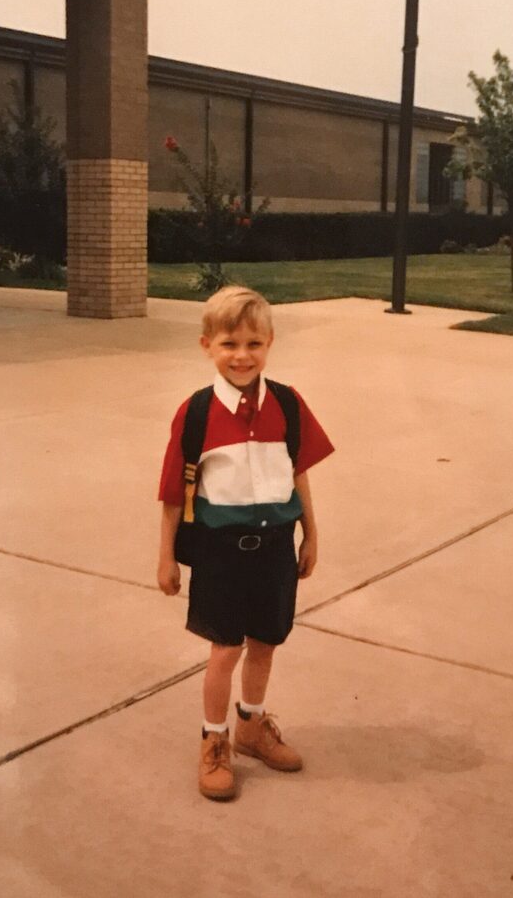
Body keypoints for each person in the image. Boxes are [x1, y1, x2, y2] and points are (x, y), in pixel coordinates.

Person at [156, 285, 334, 801]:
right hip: (220, 551)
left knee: (265, 643)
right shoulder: (195, 414)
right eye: (230, 343)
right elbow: (172, 495)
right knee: (225, 650)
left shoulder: (287, 404)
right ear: (206, 344)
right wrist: (166, 557)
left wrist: (311, 534)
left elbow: (299, 473)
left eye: (254, 344)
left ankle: (251, 729)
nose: (242, 355)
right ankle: (214, 742)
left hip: (277, 544)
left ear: (271, 343)